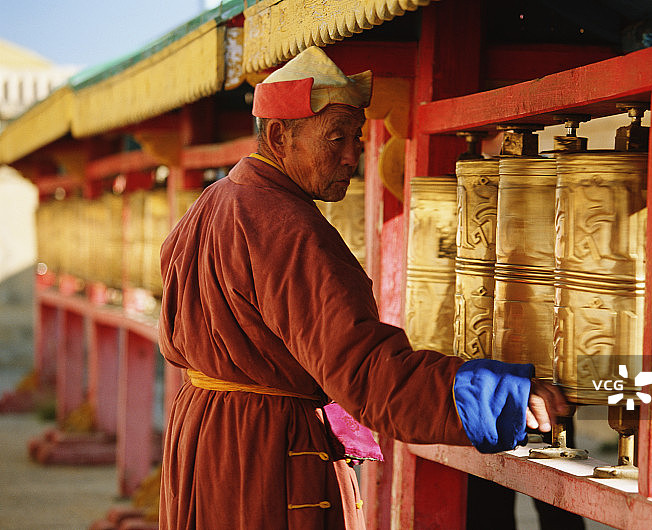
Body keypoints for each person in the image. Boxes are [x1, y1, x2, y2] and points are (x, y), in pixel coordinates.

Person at [158, 46, 568, 530]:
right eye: (335, 138)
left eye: (356, 137)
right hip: (264, 455)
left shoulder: (211, 204)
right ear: (278, 136)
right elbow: (368, 374)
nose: (353, 155)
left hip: (203, 438)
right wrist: (502, 396)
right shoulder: (288, 228)